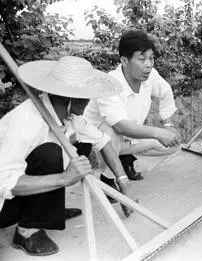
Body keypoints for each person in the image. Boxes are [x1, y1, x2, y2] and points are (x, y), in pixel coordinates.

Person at [0, 56, 135, 256]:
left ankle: (48, 208)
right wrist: (64, 178)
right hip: (4, 206)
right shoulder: (26, 121)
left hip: (23, 192)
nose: (89, 101)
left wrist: (122, 179)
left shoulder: (71, 117)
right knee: (49, 152)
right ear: (69, 97)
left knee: (82, 146)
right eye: (86, 96)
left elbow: (103, 142)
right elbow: (4, 182)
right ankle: (27, 231)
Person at [84, 30, 181, 185]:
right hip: (96, 142)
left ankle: (127, 159)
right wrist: (158, 133)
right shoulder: (109, 83)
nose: (148, 65)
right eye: (142, 59)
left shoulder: (151, 75)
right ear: (125, 61)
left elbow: (165, 92)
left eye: (151, 58)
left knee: (173, 145)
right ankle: (108, 178)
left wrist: (168, 125)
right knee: (109, 131)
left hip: (129, 138)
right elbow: (120, 126)